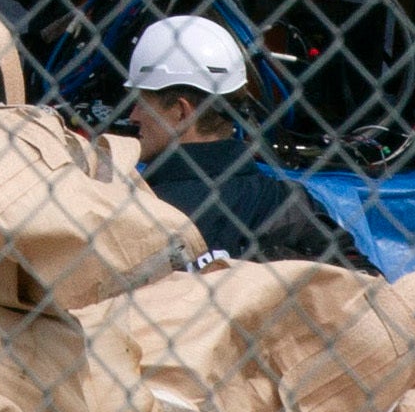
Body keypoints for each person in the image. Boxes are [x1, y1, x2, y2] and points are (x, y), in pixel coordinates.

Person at [124, 14, 361, 268]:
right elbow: (362, 277)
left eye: (141, 103)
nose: (132, 116)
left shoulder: (138, 208)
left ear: (181, 113)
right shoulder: (283, 203)